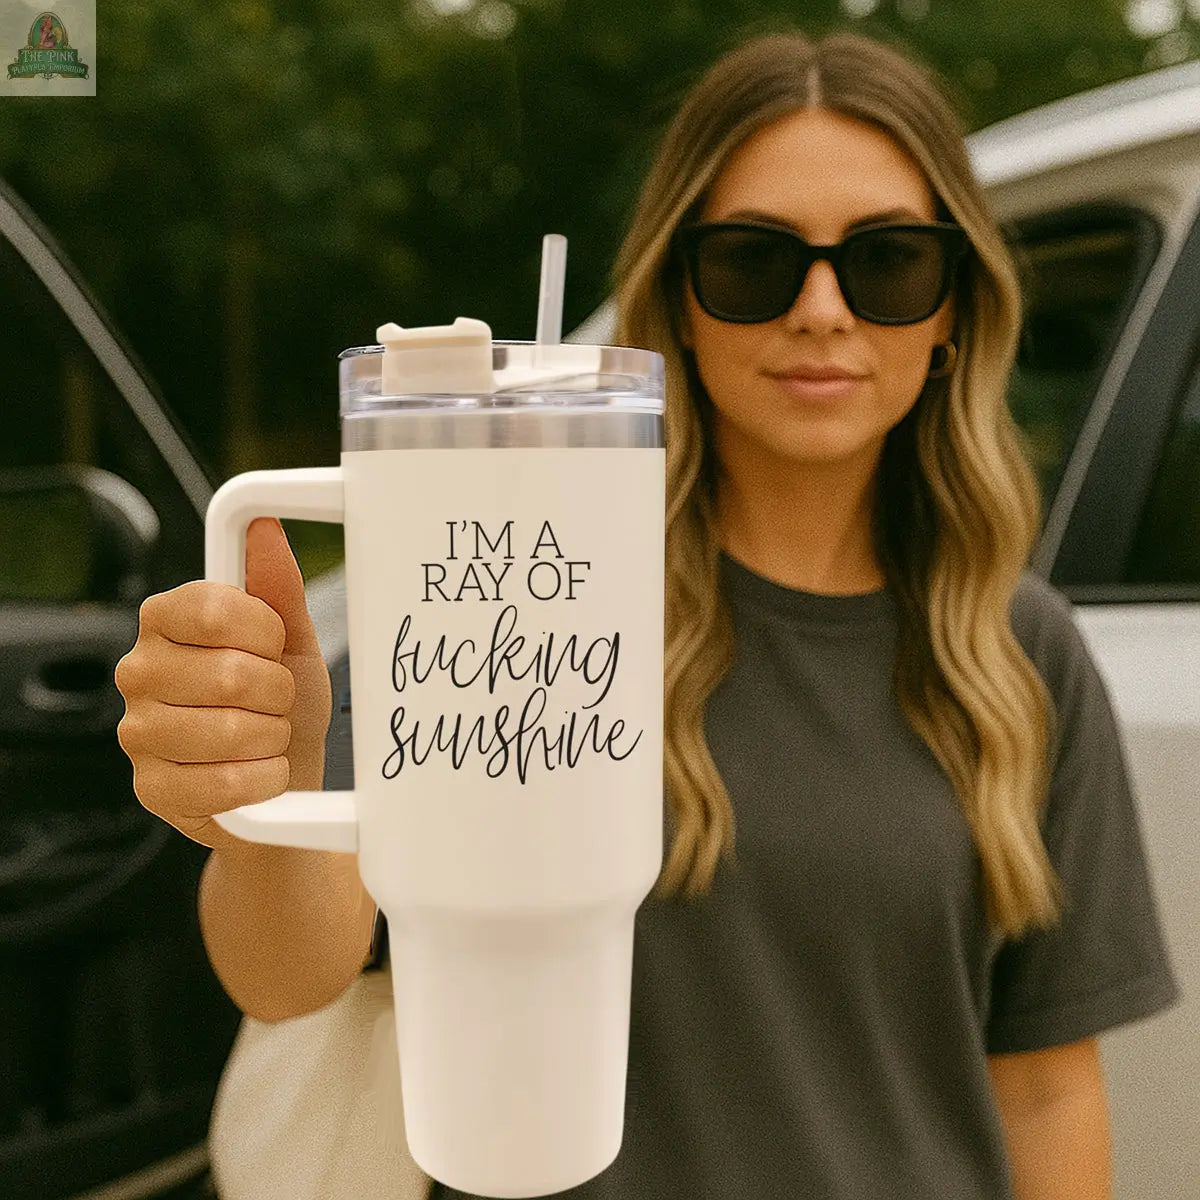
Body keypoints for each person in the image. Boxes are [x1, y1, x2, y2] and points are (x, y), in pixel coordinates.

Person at [114, 27, 1180, 1200]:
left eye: (888, 263)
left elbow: (1043, 1086)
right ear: (677, 301)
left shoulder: (1020, 650)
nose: (822, 310)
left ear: (952, 312)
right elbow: (284, 973)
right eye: (751, 262)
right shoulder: (524, 583)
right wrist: (266, 785)